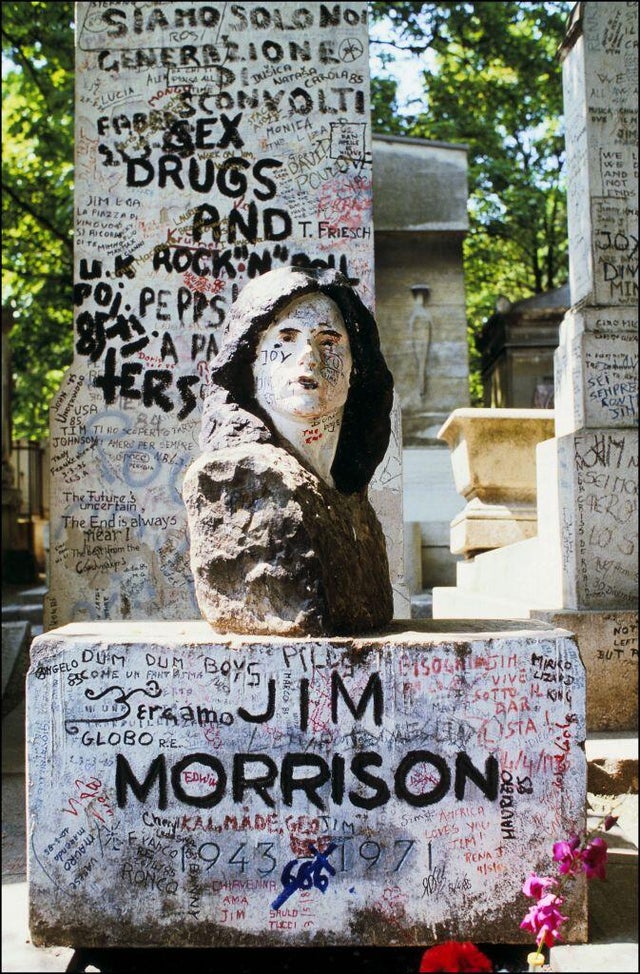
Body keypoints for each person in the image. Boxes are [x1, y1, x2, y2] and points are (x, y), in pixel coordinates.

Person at [183, 265, 395, 636]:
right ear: (249, 360)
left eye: (328, 340)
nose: (309, 357)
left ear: (356, 367)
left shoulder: (348, 490)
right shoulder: (240, 479)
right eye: (286, 338)